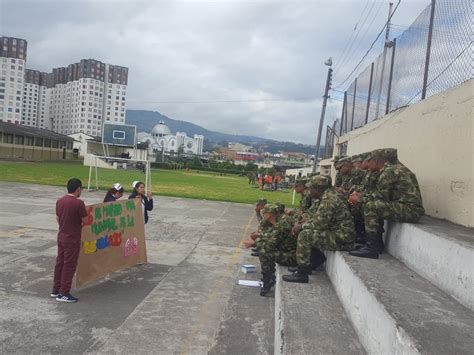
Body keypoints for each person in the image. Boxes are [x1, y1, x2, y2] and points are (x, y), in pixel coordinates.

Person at [349, 148, 425, 259]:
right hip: (406, 207)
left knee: (371, 206)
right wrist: (361, 196)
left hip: (410, 210)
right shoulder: (393, 169)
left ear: (375, 161)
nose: (367, 164)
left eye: (369, 161)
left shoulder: (389, 172)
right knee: (370, 204)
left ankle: (372, 247)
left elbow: (381, 197)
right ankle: (376, 244)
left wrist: (359, 199)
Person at [282, 175, 355, 283]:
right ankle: (315, 260)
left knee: (305, 235)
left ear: (317, 188)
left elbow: (319, 224)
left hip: (343, 238)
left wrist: (301, 226)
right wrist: (303, 223)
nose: (309, 191)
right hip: (336, 233)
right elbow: (318, 219)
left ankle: (302, 274)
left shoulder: (329, 200)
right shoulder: (327, 196)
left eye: (310, 188)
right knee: (304, 229)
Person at [52, 178, 88, 303]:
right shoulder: (79, 203)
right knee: (69, 265)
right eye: (81, 189)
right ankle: (64, 292)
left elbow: (57, 218)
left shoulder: (60, 201)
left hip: (61, 236)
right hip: (72, 238)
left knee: (60, 263)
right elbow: (85, 220)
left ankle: (56, 289)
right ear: (78, 189)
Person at [256, 204, 297, 296]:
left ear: (270, 214)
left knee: (264, 251)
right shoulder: (276, 222)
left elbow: (270, 243)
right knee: (263, 248)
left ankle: (268, 280)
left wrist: (255, 242)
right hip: (286, 253)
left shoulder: (282, 225)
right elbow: (266, 235)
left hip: (293, 257)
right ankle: (268, 278)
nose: (263, 215)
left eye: (265, 213)